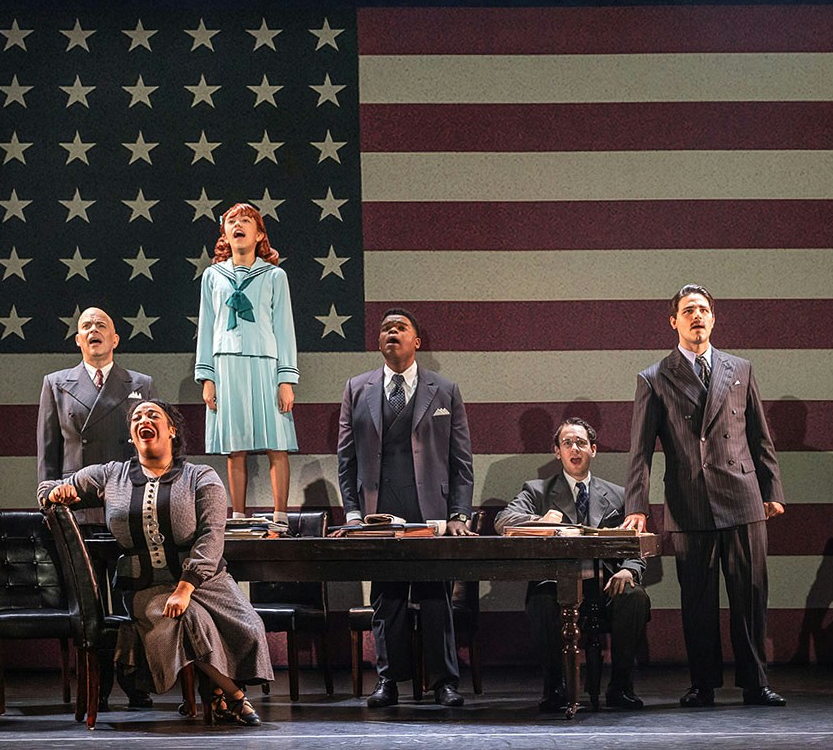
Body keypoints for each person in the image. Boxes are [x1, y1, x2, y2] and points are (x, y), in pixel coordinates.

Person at [40, 399, 273, 726]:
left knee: (248, 627)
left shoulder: (200, 477)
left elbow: (211, 535)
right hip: (145, 587)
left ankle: (218, 697)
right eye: (136, 417)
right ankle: (235, 697)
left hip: (205, 582)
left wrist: (185, 587)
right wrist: (54, 493)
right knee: (189, 620)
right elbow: (49, 487)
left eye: (153, 415)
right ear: (133, 436)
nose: (143, 420)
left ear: (172, 431)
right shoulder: (112, 476)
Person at [623, 284, 787, 708]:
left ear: (713, 318)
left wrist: (772, 489)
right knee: (697, 602)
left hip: (743, 496)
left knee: (750, 596)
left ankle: (755, 683)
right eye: (687, 310)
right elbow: (640, 451)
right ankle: (703, 684)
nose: (697, 316)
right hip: (689, 501)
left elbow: (760, 437)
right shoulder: (655, 377)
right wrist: (636, 506)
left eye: (703, 309)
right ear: (673, 321)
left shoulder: (740, 369)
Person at [336, 308, 475, 708]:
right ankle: (389, 681)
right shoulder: (357, 388)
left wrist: (459, 515)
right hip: (379, 515)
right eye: (385, 329)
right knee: (387, 599)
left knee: (435, 598)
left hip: (430, 513)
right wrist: (352, 514)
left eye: (400, 328)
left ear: (417, 341)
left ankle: (444, 682)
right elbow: (346, 460)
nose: (391, 332)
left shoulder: (444, 390)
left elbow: (461, 460)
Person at [37, 305, 158, 707]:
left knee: (133, 601)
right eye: (86, 326)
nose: (93, 331)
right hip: (79, 513)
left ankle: (136, 681)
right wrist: (49, 500)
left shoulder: (140, 383)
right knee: (89, 609)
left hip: (128, 511)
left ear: (115, 338)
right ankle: (96, 688)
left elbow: (156, 451)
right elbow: (48, 456)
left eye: (101, 325)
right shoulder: (56, 383)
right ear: (77, 340)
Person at [496, 417, 650, 712]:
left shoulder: (617, 495)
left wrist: (628, 569)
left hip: (604, 583)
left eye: (581, 443)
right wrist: (540, 521)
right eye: (567, 443)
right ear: (557, 452)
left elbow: (635, 542)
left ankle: (621, 687)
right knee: (541, 599)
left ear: (593, 449)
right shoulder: (537, 491)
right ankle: (556, 686)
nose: (574, 449)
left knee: (634, 597)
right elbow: (504, 520)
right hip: (557, 584)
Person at [195, 202, 299, 521]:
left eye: (245, 221)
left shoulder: (274, 276)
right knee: (234, 444)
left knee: (276, 441)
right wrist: (208, 377)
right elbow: (207, 327)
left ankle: (280, 514)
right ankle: (238, 515)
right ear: (224, 233)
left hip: (266, 364)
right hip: (227, 365)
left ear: (258, 233)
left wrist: (286, 379)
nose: (237, 225)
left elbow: (284, 327)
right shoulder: (213, 276)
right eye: (231, 221)